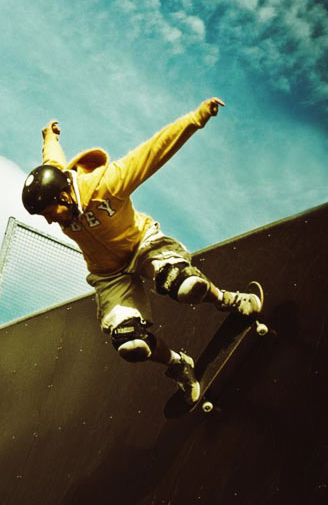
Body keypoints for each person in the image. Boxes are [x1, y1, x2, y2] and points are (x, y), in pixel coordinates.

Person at [21, 98, 262, 404]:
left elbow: (152, 153)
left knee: (184, 285)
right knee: (129, 343)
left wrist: (196, 118)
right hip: (108, 274)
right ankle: (178, 364)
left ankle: (229, 300)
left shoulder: (107, 184)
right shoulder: (57, 188)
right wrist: (50, 136)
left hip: (142, 245)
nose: (50, 220)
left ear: (65, 196)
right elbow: (52, 162)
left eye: (49, 212)